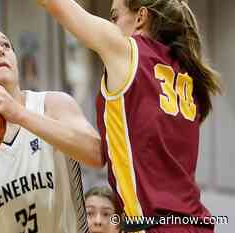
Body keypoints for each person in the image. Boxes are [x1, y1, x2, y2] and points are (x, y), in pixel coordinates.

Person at [36, 0, 222, 232]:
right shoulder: (188, 76)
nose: (111, 26)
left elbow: (57, 5)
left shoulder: (128, 51)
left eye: (114, 17)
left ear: (141, 17)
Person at [0, 28, 103, 233]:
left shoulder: (53, 105)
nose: (0, 50)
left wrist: (19, 114)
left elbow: (97, 154)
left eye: (6, 45)